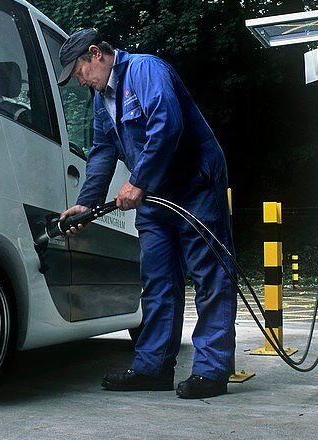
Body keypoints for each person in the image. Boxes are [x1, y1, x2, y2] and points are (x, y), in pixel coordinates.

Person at [56, 28, 237, 400]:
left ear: (96, 54)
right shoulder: (102, 98)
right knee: (157, 281)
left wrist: (138, 181)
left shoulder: (146, 70)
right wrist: (87, 204)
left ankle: (211, 371)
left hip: (194, 186)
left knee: (210, 278)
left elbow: (166, 124)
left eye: (80, 72)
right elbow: (103, 150)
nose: (81, 81)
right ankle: (152, 368)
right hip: (155, 196)